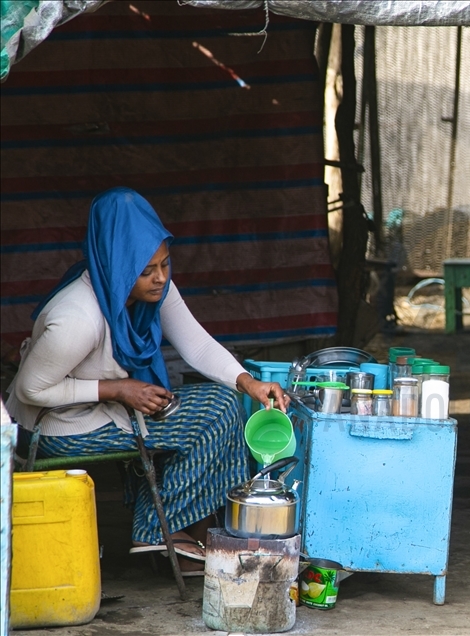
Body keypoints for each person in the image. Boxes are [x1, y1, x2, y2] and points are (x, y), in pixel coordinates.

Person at [5, 187, 289, 576]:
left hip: (104, 407)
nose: (160, 278)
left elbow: (196, 343)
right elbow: (29, 391)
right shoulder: (78, 317)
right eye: (146, 270)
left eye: (165, 264)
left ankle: (187, 538)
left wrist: (247, 382)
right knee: (215, 414)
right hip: (55, 426)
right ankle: (157, 530)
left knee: (225, 400)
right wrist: (119, 389)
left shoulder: (146, 288)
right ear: (117, 264)